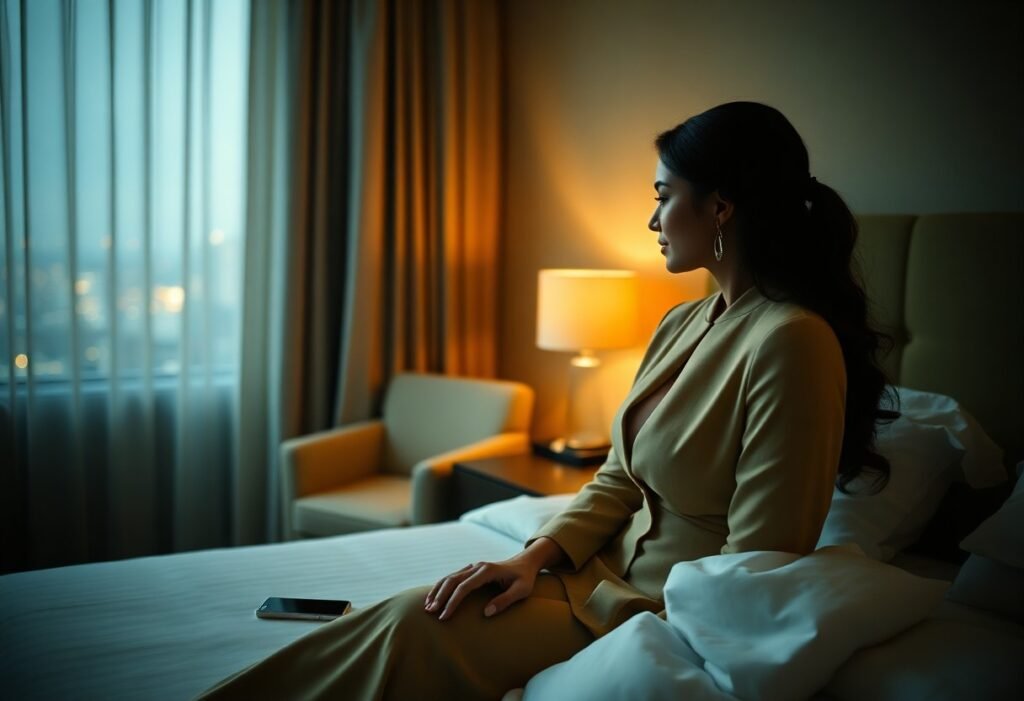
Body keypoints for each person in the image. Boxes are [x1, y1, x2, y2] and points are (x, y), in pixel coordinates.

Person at [198, 101, 891, 700]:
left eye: (662, 194)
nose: (652, 218)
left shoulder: (794, 341)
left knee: (416, 627)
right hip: (587, 575)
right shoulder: (684, 320)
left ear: (718, 206)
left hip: (650, 607)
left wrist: (653, 641)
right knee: (399, 616)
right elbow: (620, 476)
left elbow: (760, 557)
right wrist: (533, 556)